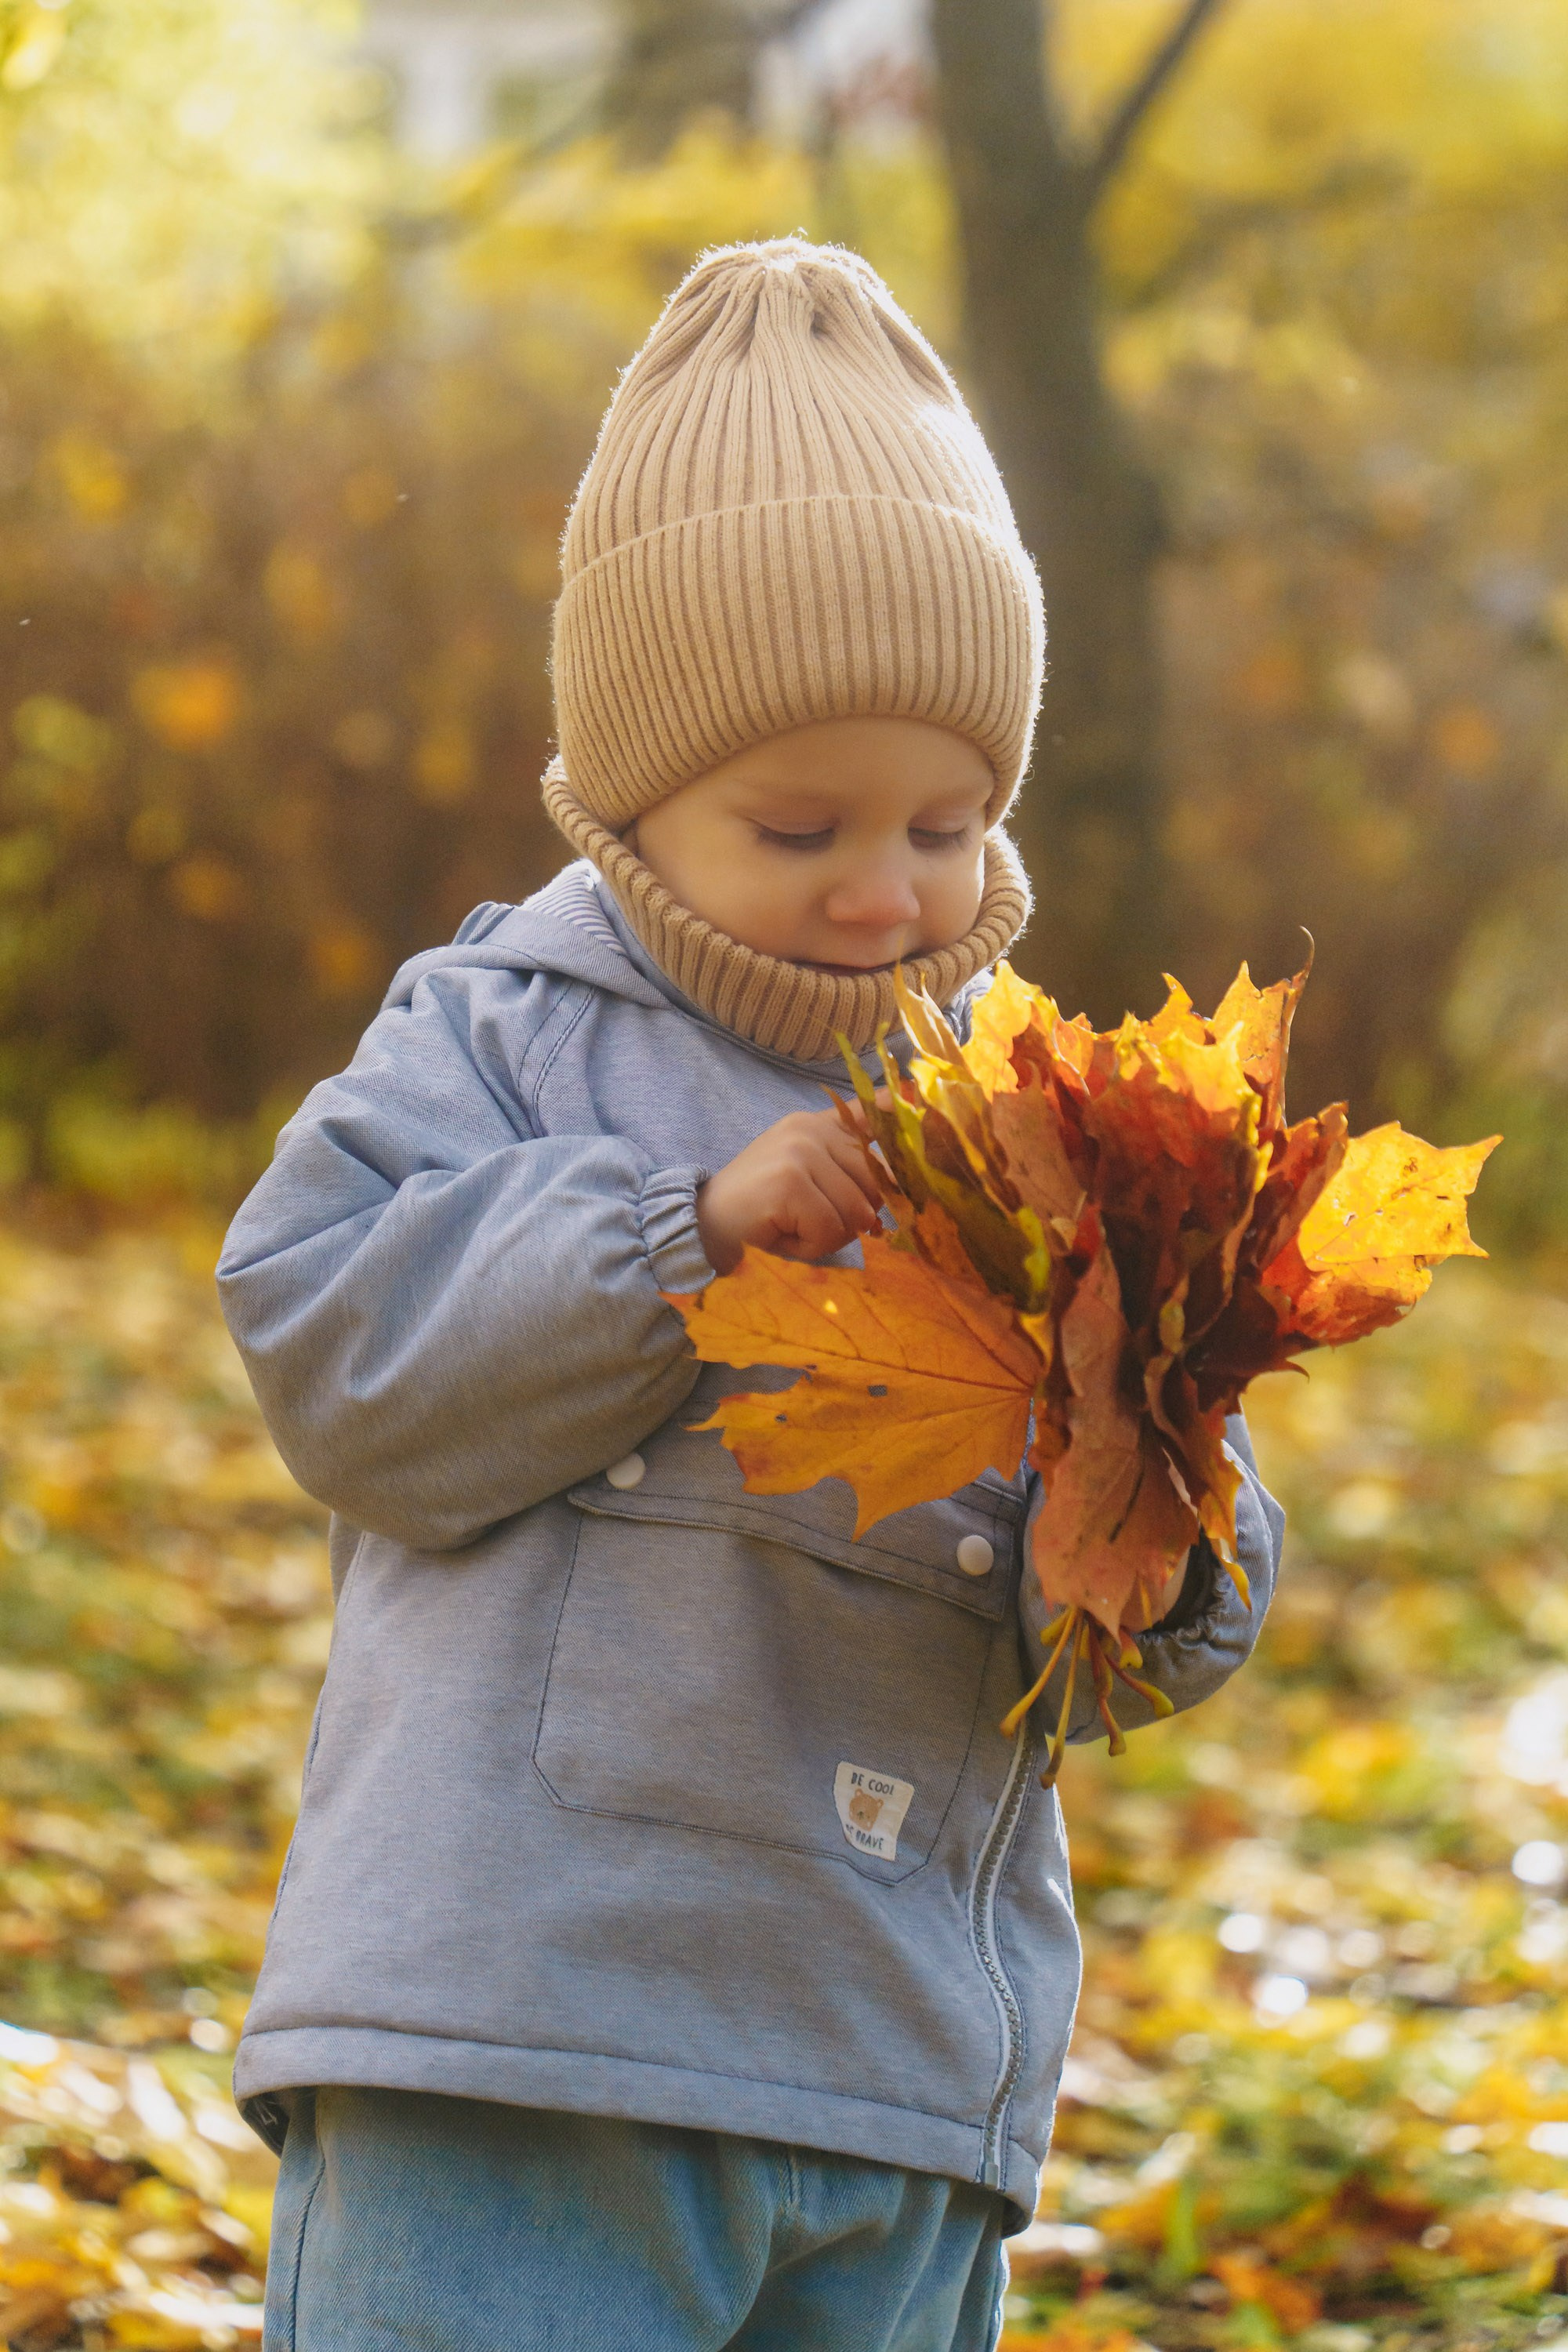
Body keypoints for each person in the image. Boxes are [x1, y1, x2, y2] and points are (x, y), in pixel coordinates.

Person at [218, 238, 1283, 2352]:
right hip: (522, 2042)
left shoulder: (1030, 1115)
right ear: (628, 800)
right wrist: (676, 1232)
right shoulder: (508, 1035)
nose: (890, 889)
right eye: (800, 824)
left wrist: (1160, 1543)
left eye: (951, 823)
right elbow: (334, 1351)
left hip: (893, 2062)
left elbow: (1144, 1595)